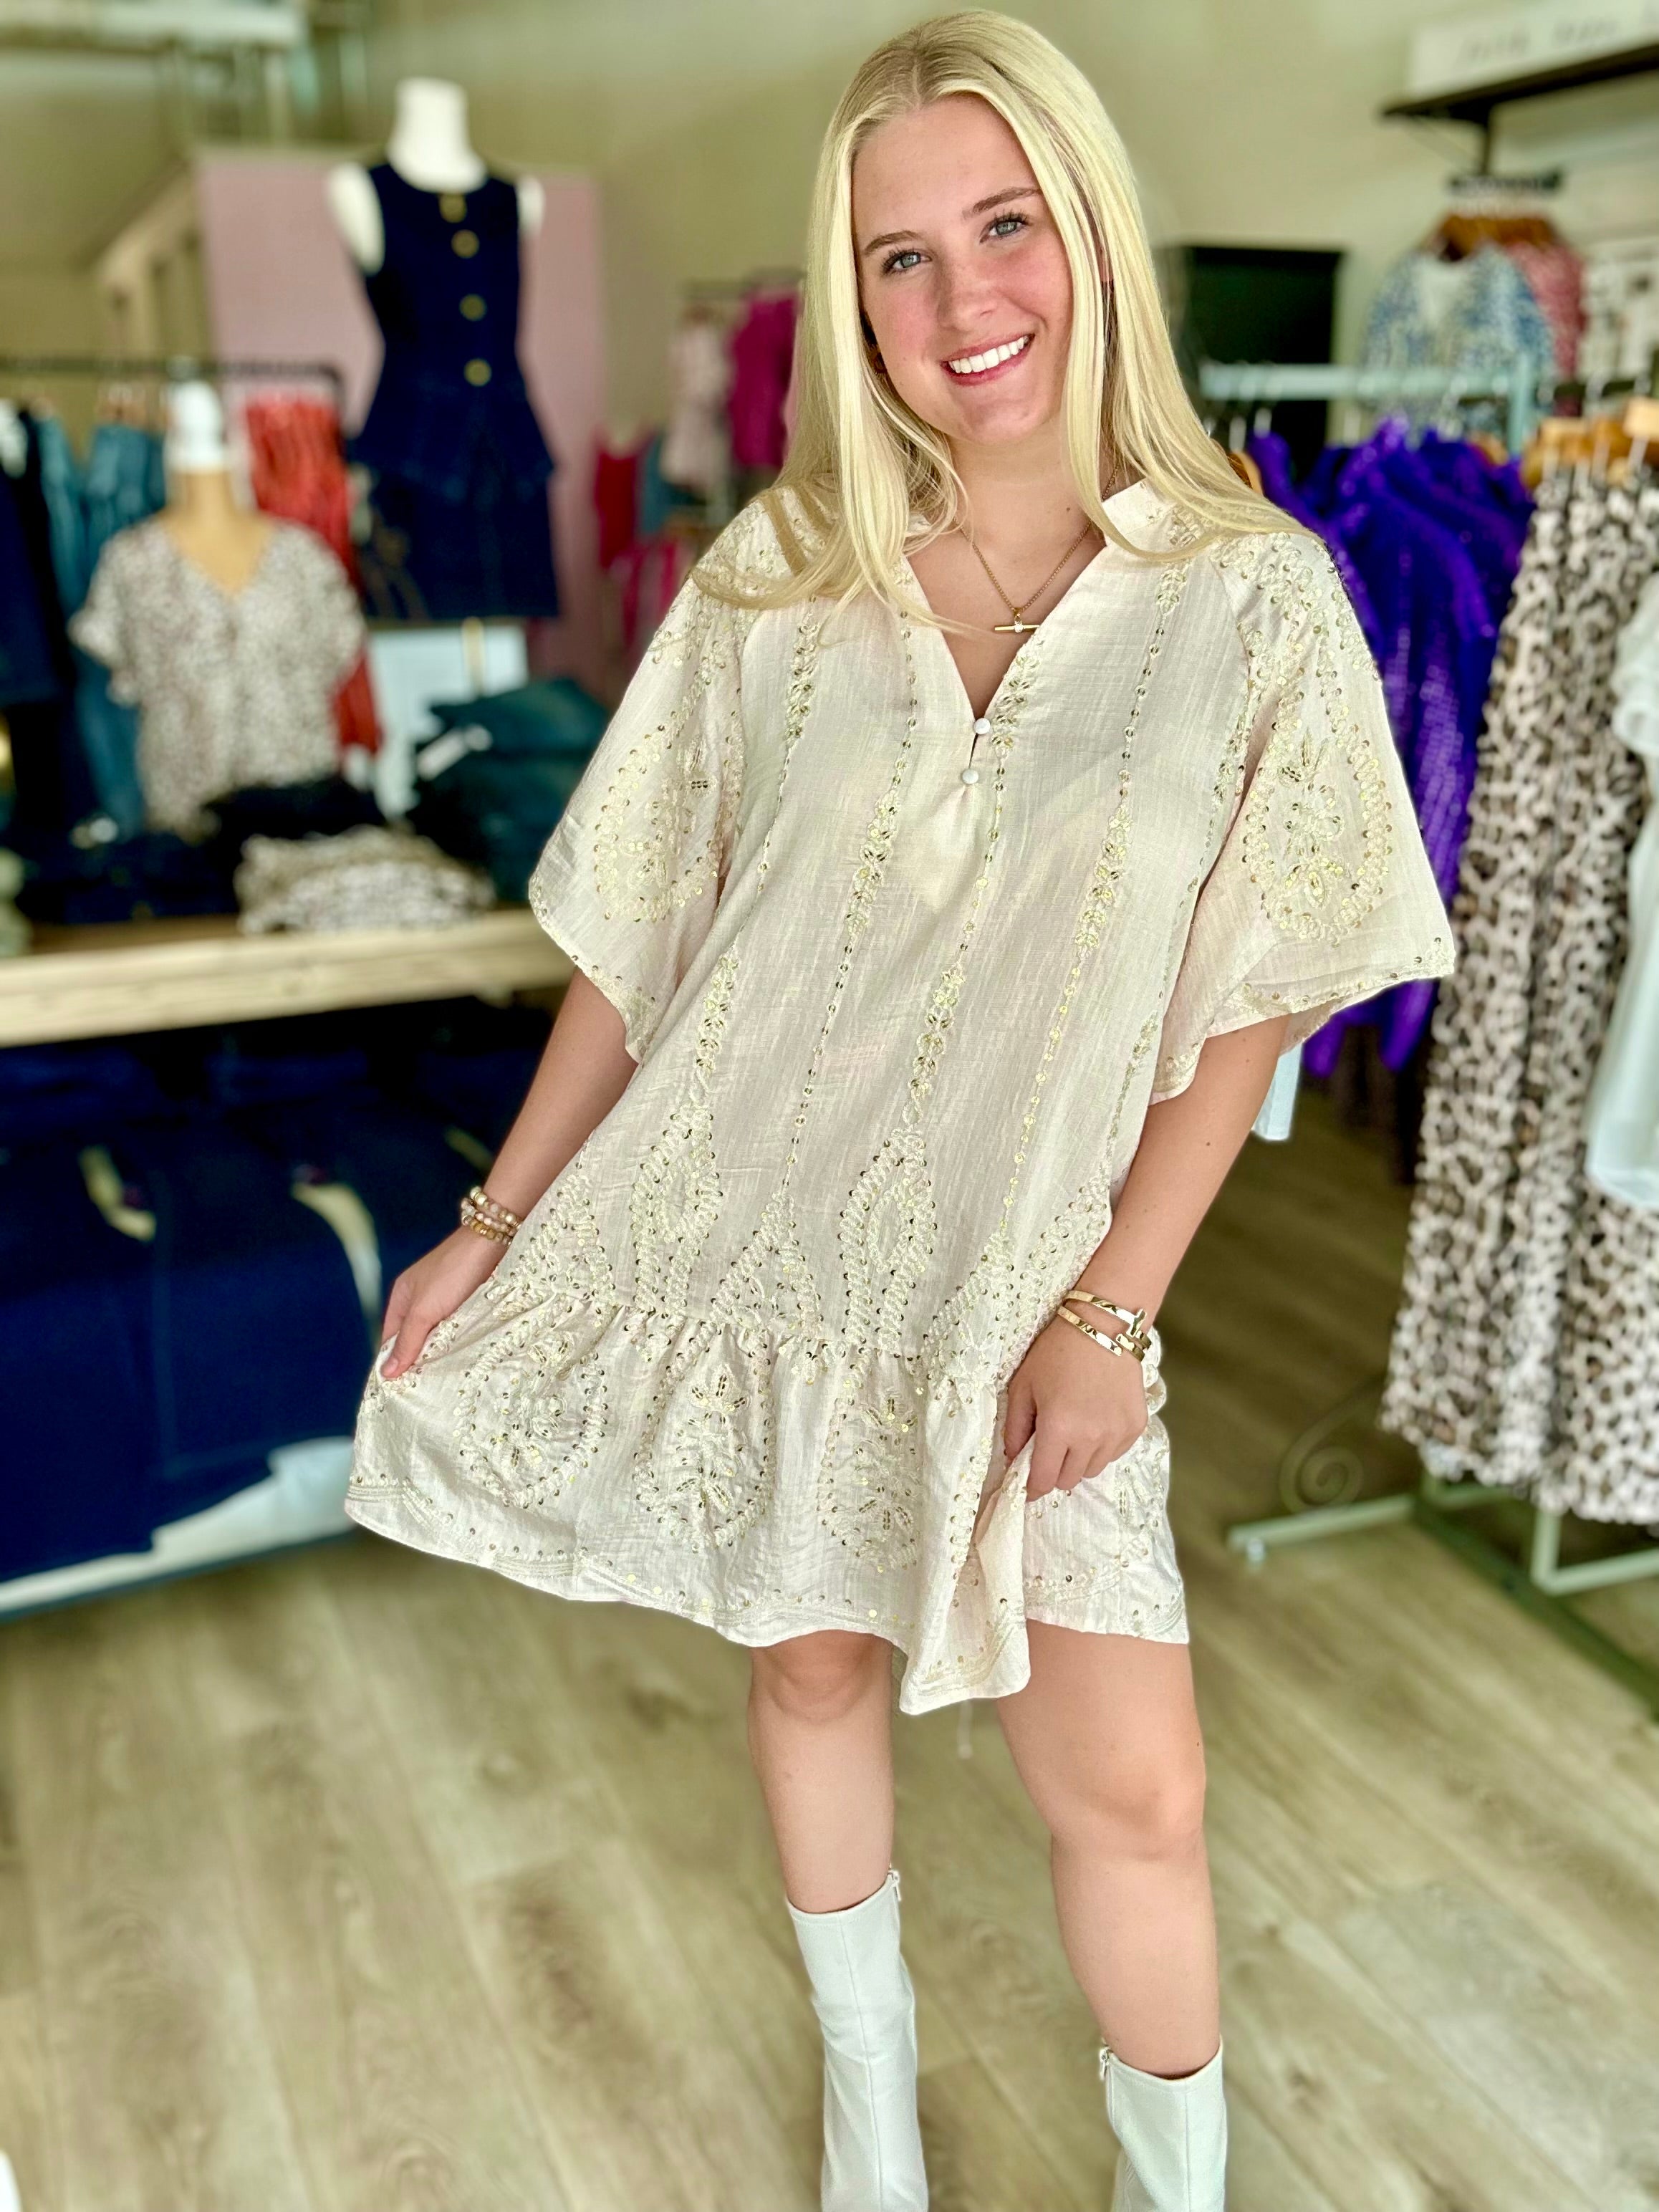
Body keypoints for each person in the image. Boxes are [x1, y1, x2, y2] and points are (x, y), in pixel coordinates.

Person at [346, 14, 1454, 2209]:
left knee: (1133, 1794)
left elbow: (1257, 997)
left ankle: (1173, 2191)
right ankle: (871, 2117)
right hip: (757, 1235)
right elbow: (642, 935)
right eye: (897, 259)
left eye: (1005, 225)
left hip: (1027, 1281)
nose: (964, 304)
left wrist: (1115, 1310)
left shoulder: (1253, 599)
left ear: (1090, 232)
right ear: (848, 305)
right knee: (810, 1680)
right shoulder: (773, 580)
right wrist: (499, 1214)